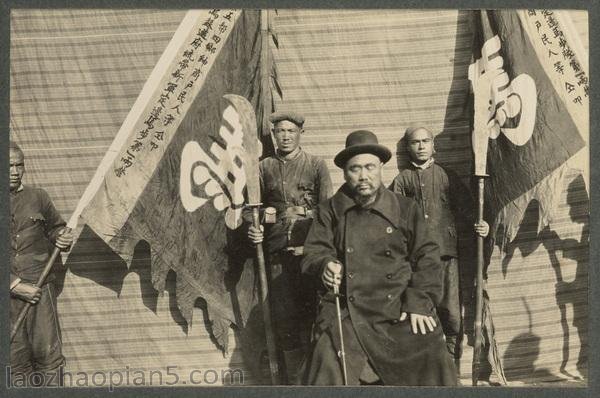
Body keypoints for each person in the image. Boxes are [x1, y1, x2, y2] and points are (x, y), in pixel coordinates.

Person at [300, 130, 457, 385]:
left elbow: (428, 257)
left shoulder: (405, 208)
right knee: (327, 359)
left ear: (381, 167)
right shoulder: (329, 210)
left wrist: (418, 303)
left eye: (370, 167)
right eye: (355, 169)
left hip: (399, 305)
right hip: (347, 310)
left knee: (432, 352)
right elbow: (313, 253)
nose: (363, 176)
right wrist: (325, 264)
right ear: (344, 172)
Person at [389, 127, 489, 364]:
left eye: (426, 141)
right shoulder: (402, 181)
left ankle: (451, 371)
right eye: (415, 142)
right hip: (415, 262)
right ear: (407, 148)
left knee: (452, 315)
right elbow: (392, 219)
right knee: (419, 315)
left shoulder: (447, 176)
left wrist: (483, 224)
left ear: (435, 145)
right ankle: (426, 373)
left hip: (446, 257)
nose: (421, 146)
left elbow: (470, 211)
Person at [247, 111, 333, 383]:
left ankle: (316, 378)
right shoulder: (263, 168)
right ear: (273, 135)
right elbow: (253, 209)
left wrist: (312, 246)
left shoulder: (316, 165)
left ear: (300, 134)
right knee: (284, 318)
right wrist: (255, 227)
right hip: (276, 251)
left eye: (290, 131)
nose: (285, 136)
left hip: (309, 251)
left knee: (312, 315)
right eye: (280, 131)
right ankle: (295, 382)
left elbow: (327, 211)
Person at [9, 140, 73, 386]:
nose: (15, 172)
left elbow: (56, 228)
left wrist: (62, 237)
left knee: (48, 357)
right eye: (9, 166)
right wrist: (14, 285)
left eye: (19, 165)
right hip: (9, 296)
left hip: (40, 289)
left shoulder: (38, 197)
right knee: (14, 360)